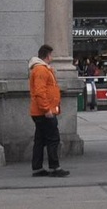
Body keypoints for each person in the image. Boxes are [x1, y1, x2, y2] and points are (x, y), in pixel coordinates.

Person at [28, 44, 70, 178]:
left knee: (40, 140)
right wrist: (47, 109)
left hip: (40, 111)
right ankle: (54, 167)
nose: (52, 57)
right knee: (53, 139)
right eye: (51, 55)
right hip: (45, 112)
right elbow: (40, 92)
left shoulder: (41, 69)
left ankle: (37, 168)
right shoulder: (41, 70)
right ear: (47, 56)